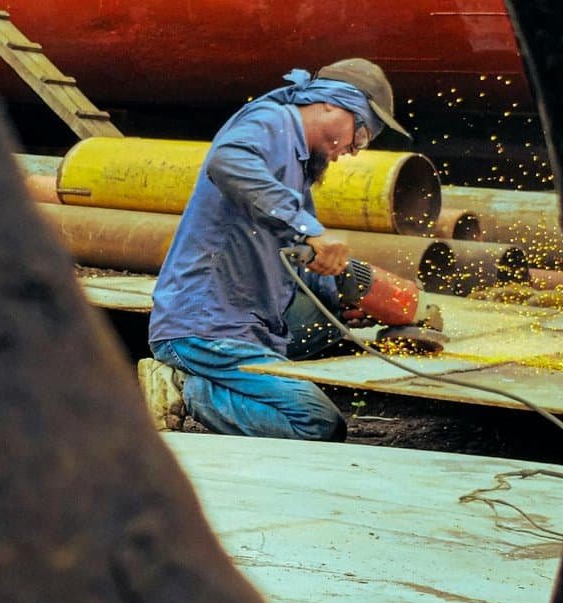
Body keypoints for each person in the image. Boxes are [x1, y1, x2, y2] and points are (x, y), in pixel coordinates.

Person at [138, 58, 413, 441]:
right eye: (361, 135)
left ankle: (210, 383)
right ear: (331, 104)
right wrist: (309, 230)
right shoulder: (272, 122)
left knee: (327, 335)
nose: (353, 150)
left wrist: (347, 297)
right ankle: (185, 389)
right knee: (317, 424)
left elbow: (295, 257)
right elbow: (227, 161)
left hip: (246, 326)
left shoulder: (296, 173)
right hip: (202, 328)